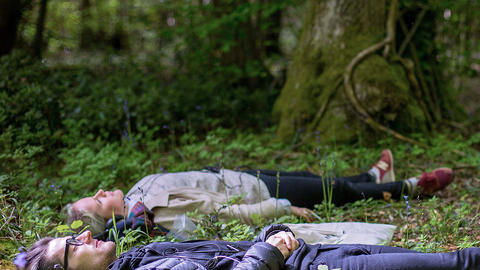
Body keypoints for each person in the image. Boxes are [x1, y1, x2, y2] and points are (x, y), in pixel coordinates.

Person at [64, 149, 454, 237]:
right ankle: (408, 188)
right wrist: (281, 207)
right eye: (98, 200)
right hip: (256, 192)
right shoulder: (153, 215)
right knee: (336, 192)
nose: (100, 191)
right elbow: (222, 214)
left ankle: (370, 174)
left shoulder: (135, 192)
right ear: (111, 218)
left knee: (315, 178)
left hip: (244, 176)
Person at [17, 224, 480, 270]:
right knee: (455, 263)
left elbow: (228, 251)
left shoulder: (139, 256)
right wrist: (271, 252)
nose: (83, 236)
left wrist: (268, 237)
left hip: (307, 256)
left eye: (75, 235)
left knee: (457, 259)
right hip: (306, 269)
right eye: (71, 249)